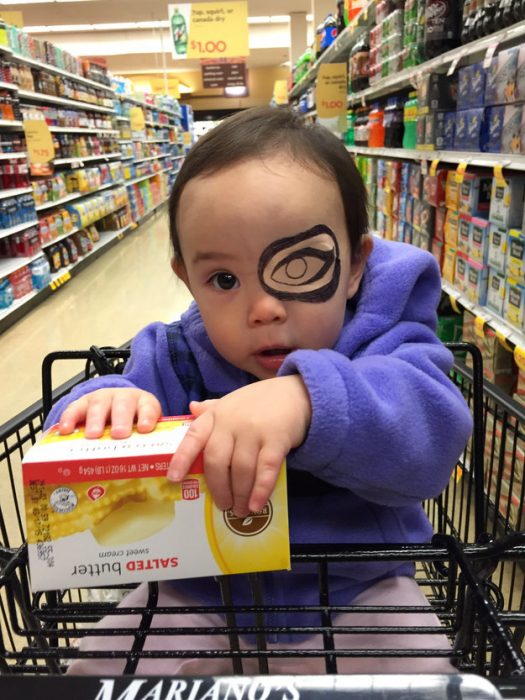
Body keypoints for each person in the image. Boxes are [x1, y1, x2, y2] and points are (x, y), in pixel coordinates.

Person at [45, 106, 473, 675]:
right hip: (196, 597)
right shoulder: (176, 356)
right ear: (188, 281)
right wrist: (103, 404)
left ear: (352, 266)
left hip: (360, 596)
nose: (264, 309)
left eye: (299, 266)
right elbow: (84, 423)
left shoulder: (388, 344)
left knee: (423, 677)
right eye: (224, 280)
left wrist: (308, 401)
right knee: (95, 673)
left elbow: (431, 432)